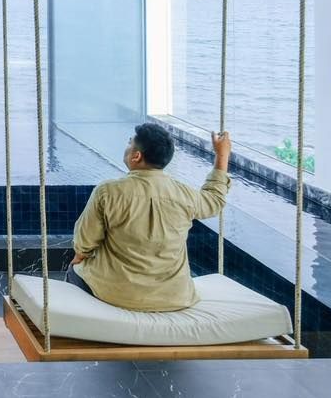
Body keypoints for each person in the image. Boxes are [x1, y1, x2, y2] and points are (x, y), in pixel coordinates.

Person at [66, 123, 232, 312]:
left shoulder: (107, 192)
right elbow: (215, 200)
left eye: (129, 143)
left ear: (136, 156)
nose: (127, 146)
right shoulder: (185, 195)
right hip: (174, 297)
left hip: (115, 294)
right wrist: (222, 156)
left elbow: (84, 242)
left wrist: (79, 256)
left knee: (74, 271)